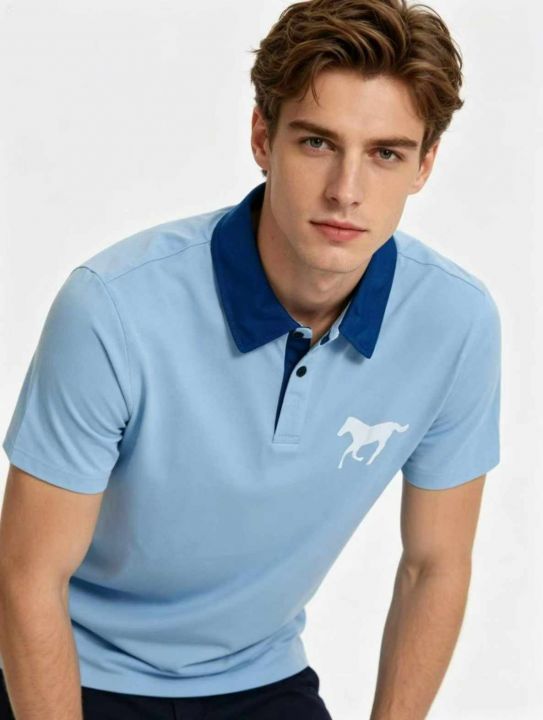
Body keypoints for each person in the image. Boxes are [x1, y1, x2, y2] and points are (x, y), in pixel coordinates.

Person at [0, 0, 501, 718]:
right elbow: (27, 578)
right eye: (317, 143)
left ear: (424, 164)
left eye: (385, 153)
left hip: (257, 676)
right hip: (70, 666)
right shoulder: (113, 307)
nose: (346, 191)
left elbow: (434, 566)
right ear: (262, 138)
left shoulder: (454, 323)